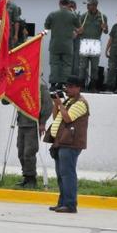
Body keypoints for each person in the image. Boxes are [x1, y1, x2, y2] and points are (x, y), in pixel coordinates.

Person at [44, 76, 89, 213]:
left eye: (70, 87)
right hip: (62, 141)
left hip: (71, 143)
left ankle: (70, 205)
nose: (67, 89)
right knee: (61, 174)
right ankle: (63, 203)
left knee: (67, 174)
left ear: (78, 88)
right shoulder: (70, 101)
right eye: (67, 87)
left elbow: (68, 118)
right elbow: (56, 116)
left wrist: (61, 104)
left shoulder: (80, 103)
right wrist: (57, 104)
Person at [15, 83, 53, 188]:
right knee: (21, 152)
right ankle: (26, 177)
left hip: (33, 124)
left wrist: (42, 122)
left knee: (29, 152)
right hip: (22, 123)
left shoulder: (40, 85)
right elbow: (8, 100)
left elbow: (48, 105)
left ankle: (32, 179)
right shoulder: (22, 81)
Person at [44, 0, 81, 90]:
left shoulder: (52, 14)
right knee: (66, 65)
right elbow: (79, 27)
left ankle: (53, 85)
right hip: (68, 45)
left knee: (54, 64)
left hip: (55, 44)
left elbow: (46, 26)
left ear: (59, 3)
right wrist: (74, 32)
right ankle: (63, 84)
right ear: (69, 4)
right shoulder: (73, 15)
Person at [76, 0, 108, 92]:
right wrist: (78, 31)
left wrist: (105, 28)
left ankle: (93, 86)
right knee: (83, 66)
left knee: (94, 67)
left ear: (95, 6)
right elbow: (77, 30)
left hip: (95, 43)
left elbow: (106, 31)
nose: (87, 6)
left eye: (89, 5)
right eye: (87, 5)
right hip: (85, 42)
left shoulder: (102, 17)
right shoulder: (83, 16)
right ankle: (81, 86)